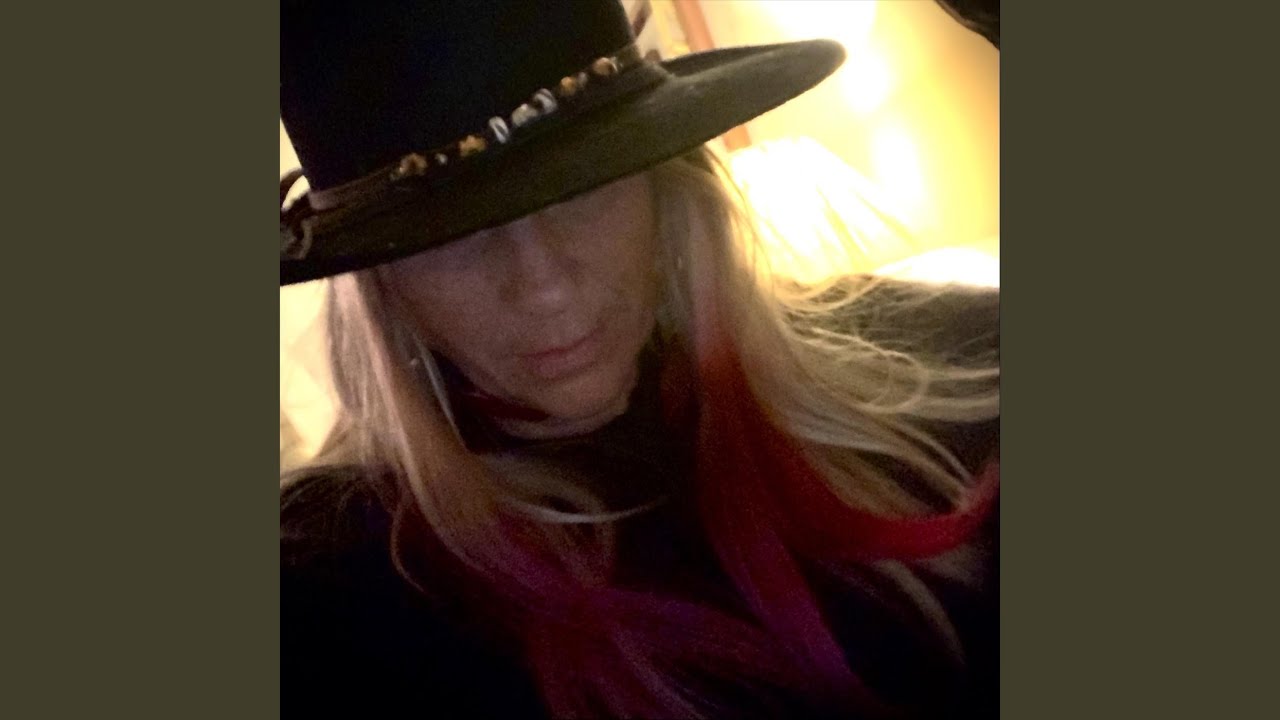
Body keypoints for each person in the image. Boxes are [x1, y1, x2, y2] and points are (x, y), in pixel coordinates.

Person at [279, 1, 1000, 717]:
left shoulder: (960, 364)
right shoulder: (324, 595)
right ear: (385, 285)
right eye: (451, 235)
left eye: (582, 188)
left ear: (663, 186)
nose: (544, 285)